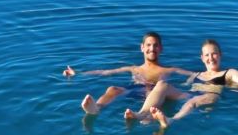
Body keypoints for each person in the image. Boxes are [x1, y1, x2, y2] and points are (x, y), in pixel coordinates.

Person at [124, 38, 238, 128]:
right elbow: (182, 89)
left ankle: (171, 120)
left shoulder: (229, 73)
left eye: (214, 54)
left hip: (210, 96)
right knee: (162, 86)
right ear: (202, 58)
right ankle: (141, 114)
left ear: (220, 55)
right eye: (207, 55)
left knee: (193, 102)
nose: (211, 58)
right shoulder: (196, 74)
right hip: (191, 95)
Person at [63, 31, 192, 115]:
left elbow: (194, 74)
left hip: (155, 93)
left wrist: (189, 81)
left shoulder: (169, 69)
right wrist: (79, 73)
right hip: (134, 91)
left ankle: (142, 114)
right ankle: (96, 108)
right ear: (142, 48)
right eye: (148, 45)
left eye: (155, 45)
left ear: (161, 48)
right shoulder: (134, 69)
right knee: (113, 88)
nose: (152, 48)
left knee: (152, 91)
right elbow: (105, 72)